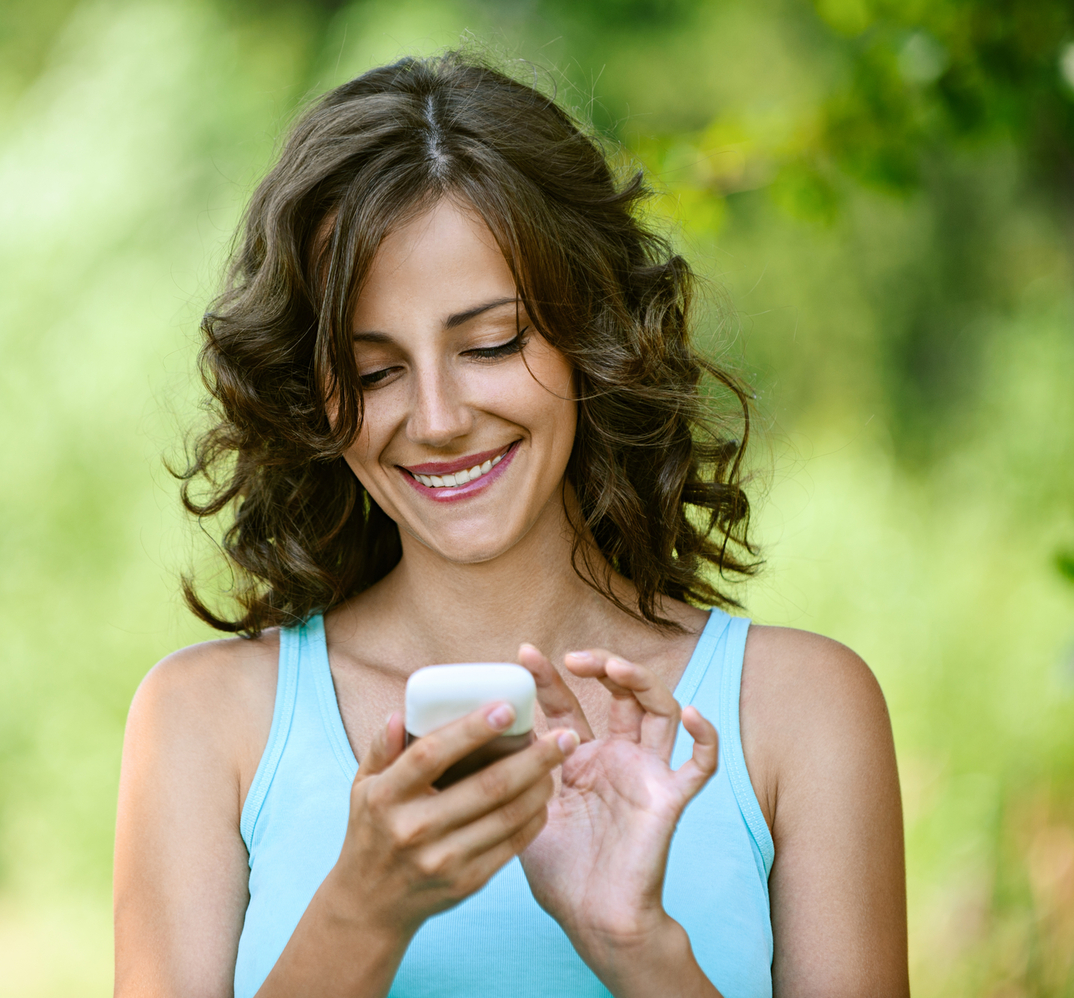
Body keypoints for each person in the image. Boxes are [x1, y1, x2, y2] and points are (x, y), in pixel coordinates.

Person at [113, 52, 907, 997]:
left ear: (590, 334)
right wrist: (362, 908)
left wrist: (636, 946)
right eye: (374, 372)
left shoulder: (802, 712)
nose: (439, 418)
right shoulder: (205, 723)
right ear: (315, 399)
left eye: (489, 344)